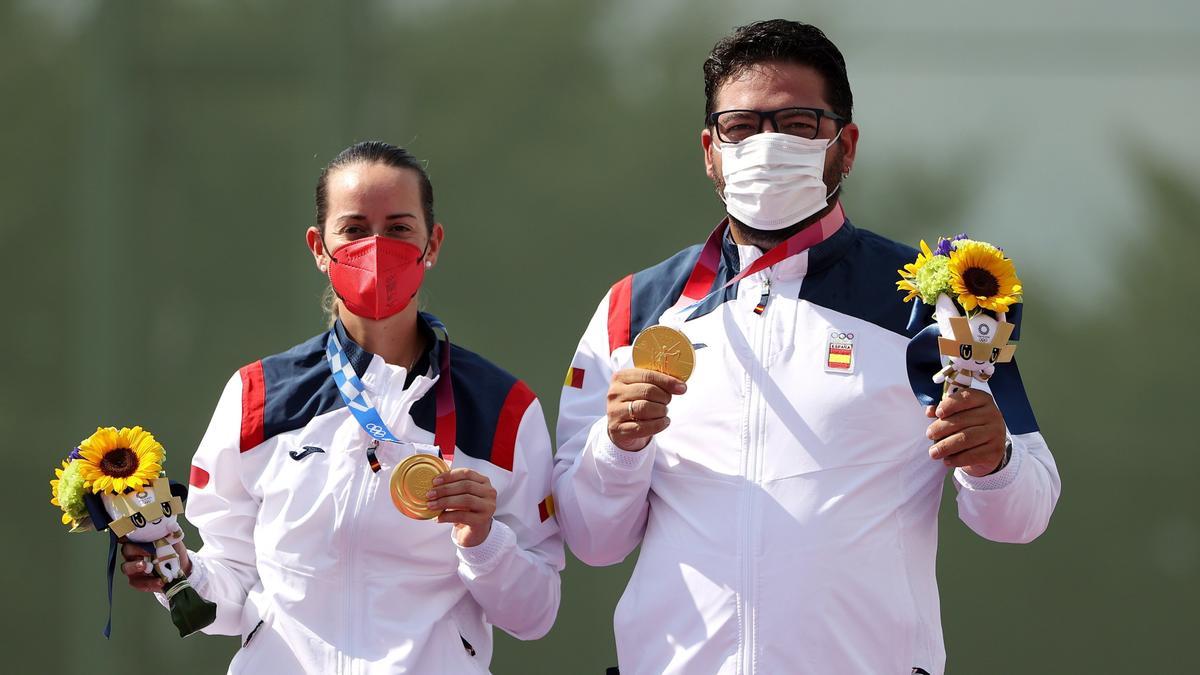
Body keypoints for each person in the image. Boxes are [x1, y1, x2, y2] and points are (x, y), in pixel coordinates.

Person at [553, 20, 1060, 675]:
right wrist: (617, 447)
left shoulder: (932, 300)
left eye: (797, 124)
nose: (767, 144)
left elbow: (1022, 515)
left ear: (845, 147)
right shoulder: (635, 309)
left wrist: (995, 461)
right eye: (741, 126)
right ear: (710, 150)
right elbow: (592, 539)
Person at [121, 141, 564, 673]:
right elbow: (233, 587)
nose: (377, 247)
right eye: (354, 229)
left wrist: (485, 541)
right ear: (318, 246)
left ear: (432, 243)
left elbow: (536, 615)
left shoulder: (504, 409)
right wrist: (178, 576)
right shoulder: (257, 395)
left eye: (399, 228)